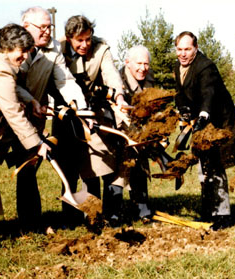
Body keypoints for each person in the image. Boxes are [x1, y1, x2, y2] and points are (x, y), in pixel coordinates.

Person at [14, 6, 87, 232]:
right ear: (26, 27)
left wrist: (81, 107)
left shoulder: (53, 48)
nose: (47, 31)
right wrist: (29, 101)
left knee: (28, 165)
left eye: (49, 27)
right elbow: (8, 84)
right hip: (10, 114)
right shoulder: (13, 46)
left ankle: (31, 222)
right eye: (42, 27)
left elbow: (65, 81)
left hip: (34, 117)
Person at [0, 24, 50, 248]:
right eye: (22, 51)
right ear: (8, 47)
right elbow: (13, 112)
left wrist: (30, 99)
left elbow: (11, 88)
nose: (25, 56)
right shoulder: (0, 70)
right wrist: (37, 143)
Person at [60, 15, 128, 227]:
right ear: (69, 38)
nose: (85, 44)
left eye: (88, 39)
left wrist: (119, 96)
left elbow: (111, 74)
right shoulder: (58, 49)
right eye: (79, 40)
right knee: (68, 167)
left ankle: (100, 214)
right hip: (65, 113)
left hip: (94, 114)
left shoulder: (101, 48)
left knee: (99, 161)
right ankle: (71, 217)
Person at [174, 31, 235, 230]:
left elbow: (209, 92)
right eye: (179, 49)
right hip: (200, 123)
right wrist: (183, 112)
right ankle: (208, 211)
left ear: (195, 49)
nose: (183, 54)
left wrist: (204, 114)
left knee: (215, 166)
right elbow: (180, 94)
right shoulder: (178, 67)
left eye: (187, 49)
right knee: (202, 166)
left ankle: (223, 215)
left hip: (219, 123)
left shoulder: (206, 67)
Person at [119, 45, 154, 221]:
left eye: (146, 64)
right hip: (119, 131)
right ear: (127, 63)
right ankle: (115, 212)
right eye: (139, 63)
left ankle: (142, 208)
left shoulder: (149, 79)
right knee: (119, 173)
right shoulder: (119, 80)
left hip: (141, 132)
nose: (143, 68)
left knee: (140, 168)